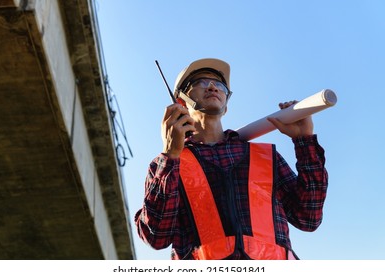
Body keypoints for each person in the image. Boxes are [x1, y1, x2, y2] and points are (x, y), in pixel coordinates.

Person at [134, 58, 328, 260]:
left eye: (219, 85)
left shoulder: (264, 158)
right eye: (200, 82)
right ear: (181, 103)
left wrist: (304, 141)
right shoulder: (167, 166)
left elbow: (309, 217)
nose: (212, 86)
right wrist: (170, 154)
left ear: (225, 106)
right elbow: (156, 236)